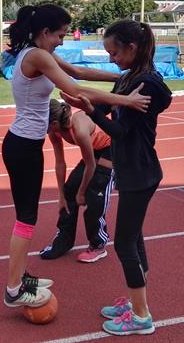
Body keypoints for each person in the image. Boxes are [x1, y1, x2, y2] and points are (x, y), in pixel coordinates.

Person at [1, 4, 151, 309]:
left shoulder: (37, 52)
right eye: (60, 34)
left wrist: (121, 78)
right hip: (22, 147)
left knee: (26, 217)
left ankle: (20, 275)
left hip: (23, 144)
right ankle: (13, 289)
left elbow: (78, 71)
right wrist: (126, 99)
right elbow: (74, 88)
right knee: (26, 220)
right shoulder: (37, 55)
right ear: (44, 32)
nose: (62, 41)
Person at [63, 19, 172, 336]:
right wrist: (86, 105)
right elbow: (111, 115)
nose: (111, 58)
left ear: (132, 49)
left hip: (140, 171)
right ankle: (136, 300)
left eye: (114, 52)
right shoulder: (129, 79)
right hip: (132, 170)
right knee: (133, 238)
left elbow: (121, 131)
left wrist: (93, 112)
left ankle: (141, 317)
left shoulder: (146, 84)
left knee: (124, 244)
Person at [39, 99, 114, 263]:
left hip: (113, 149)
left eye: (41, 122)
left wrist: (82, 193)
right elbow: (60, 163)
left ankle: (98, 245)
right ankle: (64, 240)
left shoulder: (78, 128)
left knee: (95, 195)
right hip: (94, 152)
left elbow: (90, 165)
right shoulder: (54, 131)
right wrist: (61, 195)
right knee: (69, 191)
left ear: (53, 123)